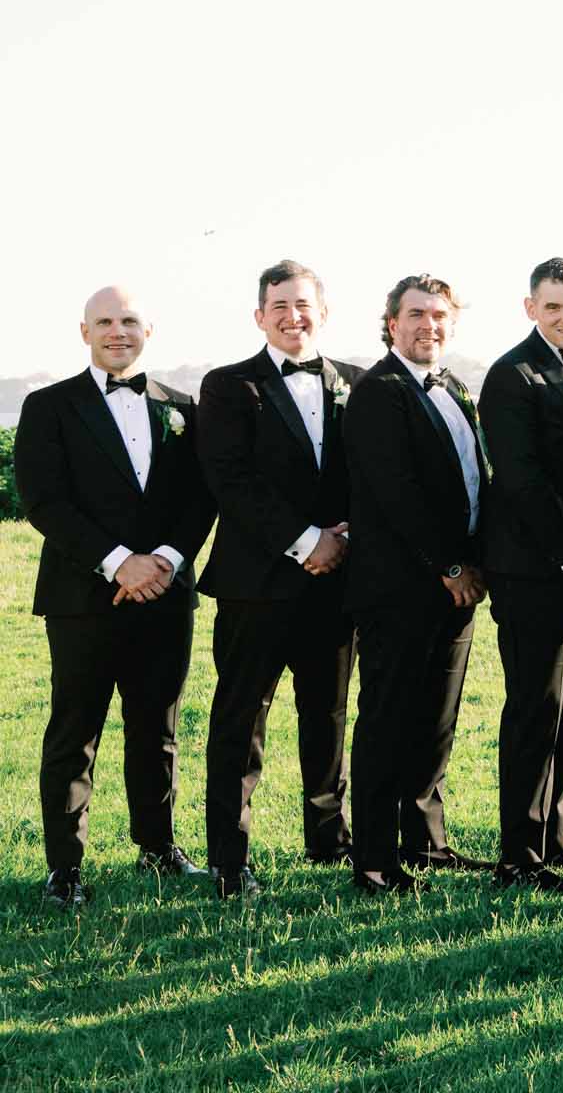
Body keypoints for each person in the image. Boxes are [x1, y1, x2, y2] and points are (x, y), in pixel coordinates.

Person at [17, 286, 217, 906]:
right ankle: (65, 868)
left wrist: (164, 561)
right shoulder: (48, 405)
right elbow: (44, 500)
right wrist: (118, 564)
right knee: (75, 730)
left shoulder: (183, 405)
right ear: (84, 333)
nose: (117, 331)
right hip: (83, 595)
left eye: (129, 320)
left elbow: (201, 498)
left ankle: (157, 849)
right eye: (104, 321)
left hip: (166, 591)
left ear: (148, 330)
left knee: (157, 727)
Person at [194, 261, 363, 896]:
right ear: (259, 316)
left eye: (304, 304)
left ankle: (329, 839)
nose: (295, 316)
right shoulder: (229, 386)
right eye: (280, 305)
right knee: (242, 721)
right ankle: (229, 859)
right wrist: (304, 541)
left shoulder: (360, 383)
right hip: (256, 585)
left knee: (328, 715)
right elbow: (231, 482)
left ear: (324, 310)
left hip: (337, 582)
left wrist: (343, 540)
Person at [344, 274, 490, 892]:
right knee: (388, 717)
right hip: (400, 586)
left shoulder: (453, 386)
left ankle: (425, 842)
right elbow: (395, 492)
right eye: (416, 314)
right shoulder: (377, 391)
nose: (429, 324)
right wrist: (449, 566)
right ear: (391, 323)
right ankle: (374, 860)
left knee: (437, 718)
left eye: (439, 315)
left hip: (456, 587)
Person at [479, 258, 563, 893]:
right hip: (534, 568)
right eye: (553, 306)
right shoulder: (510, 376)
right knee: (536, 707)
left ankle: (558, 835)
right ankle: (520, 856)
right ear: (531, 308)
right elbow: (521, 479)